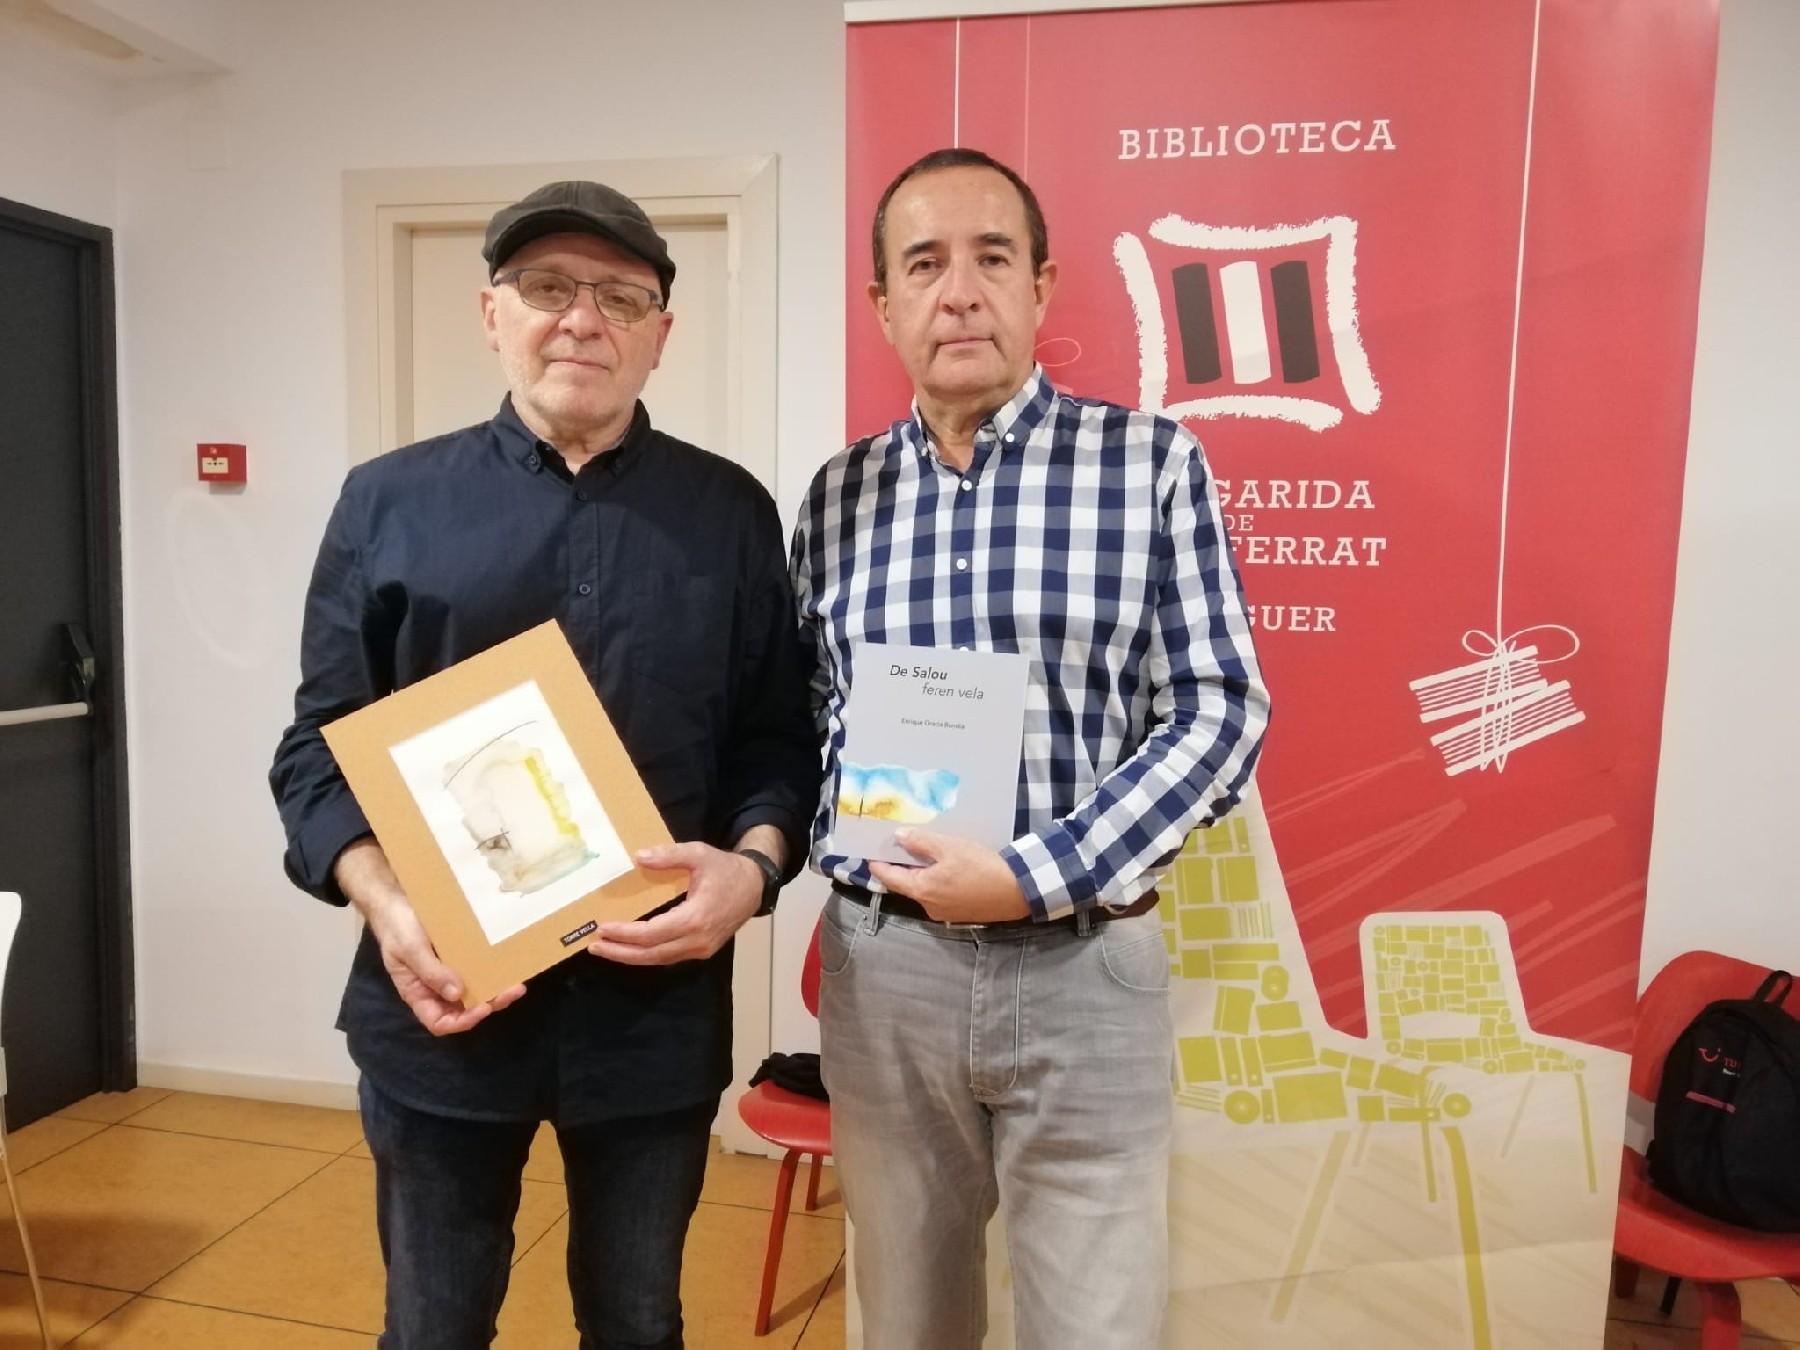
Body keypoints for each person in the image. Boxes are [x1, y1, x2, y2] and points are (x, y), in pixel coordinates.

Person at [270, 180, 819, 1350]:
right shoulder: (386, 502)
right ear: (492, 314)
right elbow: (317, 752)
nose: (582, 319)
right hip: (444, 1010)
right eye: (548, 287)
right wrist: (389, 905)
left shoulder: (730, 512)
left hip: (652, 1016)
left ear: (661, 334)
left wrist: (754, 871)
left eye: (621, 297)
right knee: (433, 1327)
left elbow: (777, 738)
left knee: (637, 1323)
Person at [791, 148, 1271, 1348]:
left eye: (992, 259)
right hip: (884, 971)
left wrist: (1033, 874)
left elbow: (1219, 711)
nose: (959, 292)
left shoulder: (1150, 466)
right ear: (884, 304)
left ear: (1041, 286)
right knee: (907, 1322)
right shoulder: (837, 497)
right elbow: (807, 712)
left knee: (1096, 1328)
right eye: (924, 265)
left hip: (1085, 964)